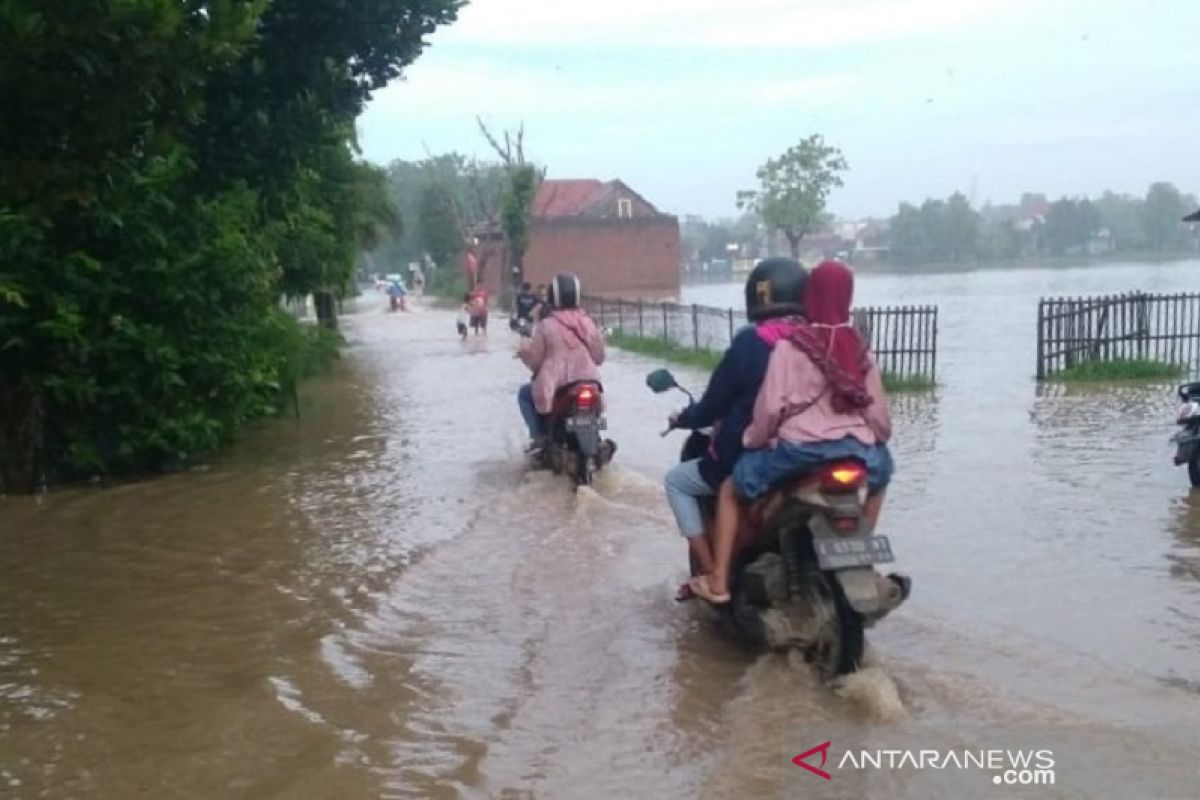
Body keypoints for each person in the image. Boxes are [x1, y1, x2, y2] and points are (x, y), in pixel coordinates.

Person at [690, 260, 894, 605]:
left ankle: (720, 580)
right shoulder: (860, 350)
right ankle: (860, 554)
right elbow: (880, 419)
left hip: (798, 454)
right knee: (883, 477)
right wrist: (874, 442)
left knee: (729, 490)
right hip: (856, 453)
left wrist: (752, 441)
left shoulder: (791, 347)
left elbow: (769, 410)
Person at [662, 258, 807, 600]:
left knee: (677, 481)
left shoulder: (752, 343)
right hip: (810, 453)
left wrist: (685, 418)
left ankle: (714, 572)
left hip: (755, 452)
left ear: (757, 299)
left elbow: (714, 403)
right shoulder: (817, 340)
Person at [516, 272, 605, 450]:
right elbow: (599, 358)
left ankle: (539, 439)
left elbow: (535, 363)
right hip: (590, 383)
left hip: (556, 387)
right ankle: (598, 442)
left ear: (552, 298)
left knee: (525, 394)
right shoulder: (588, 323)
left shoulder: (546, 326)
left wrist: (525, 354)